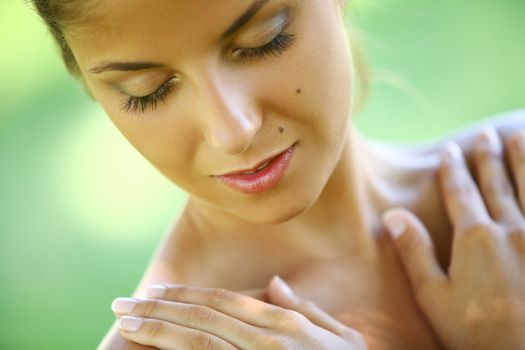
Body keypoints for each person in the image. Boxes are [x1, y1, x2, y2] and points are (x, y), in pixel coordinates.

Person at [31, 0, 525, 349]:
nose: (233, 131)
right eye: (149, 90)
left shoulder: (512, 171)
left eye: (261, 40)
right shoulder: (173, 344)